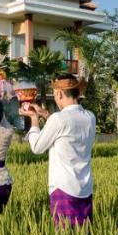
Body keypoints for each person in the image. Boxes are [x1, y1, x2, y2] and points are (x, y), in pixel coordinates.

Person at [24, 75, 96, 227]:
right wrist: (46, 115)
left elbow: (37, 147)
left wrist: (35, 120)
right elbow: (67, 127)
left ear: (59, 94)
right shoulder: (90, 117)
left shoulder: (59, 119)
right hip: (85, 188)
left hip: (63, 188)